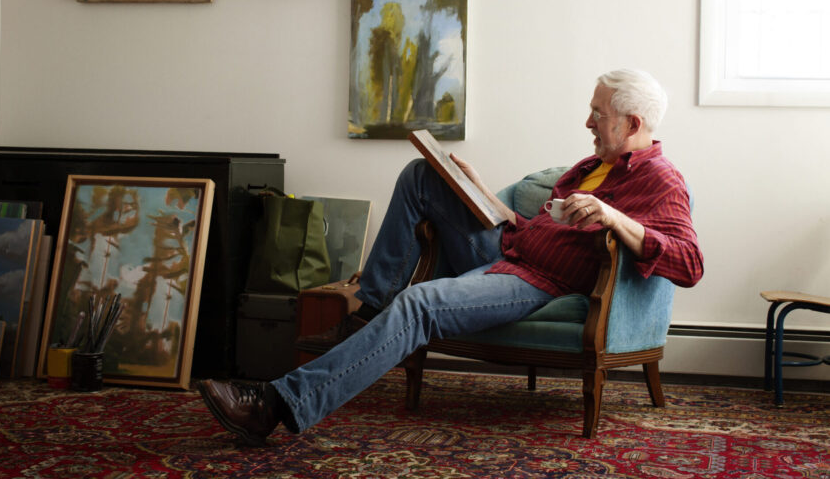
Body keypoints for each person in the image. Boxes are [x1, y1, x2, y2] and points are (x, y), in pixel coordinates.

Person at [198, 68, 704, 446]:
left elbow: (690, 263)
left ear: (633, 122)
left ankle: (276, 404)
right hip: (509, 246)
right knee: (424, 175)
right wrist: (478, 190)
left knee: (420, 304)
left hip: (533, 283)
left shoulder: (660, 181)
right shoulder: (592, 165)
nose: (587, 121)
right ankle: (371, 306)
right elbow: (537, 229)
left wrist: (616, 218)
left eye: (599, 113)